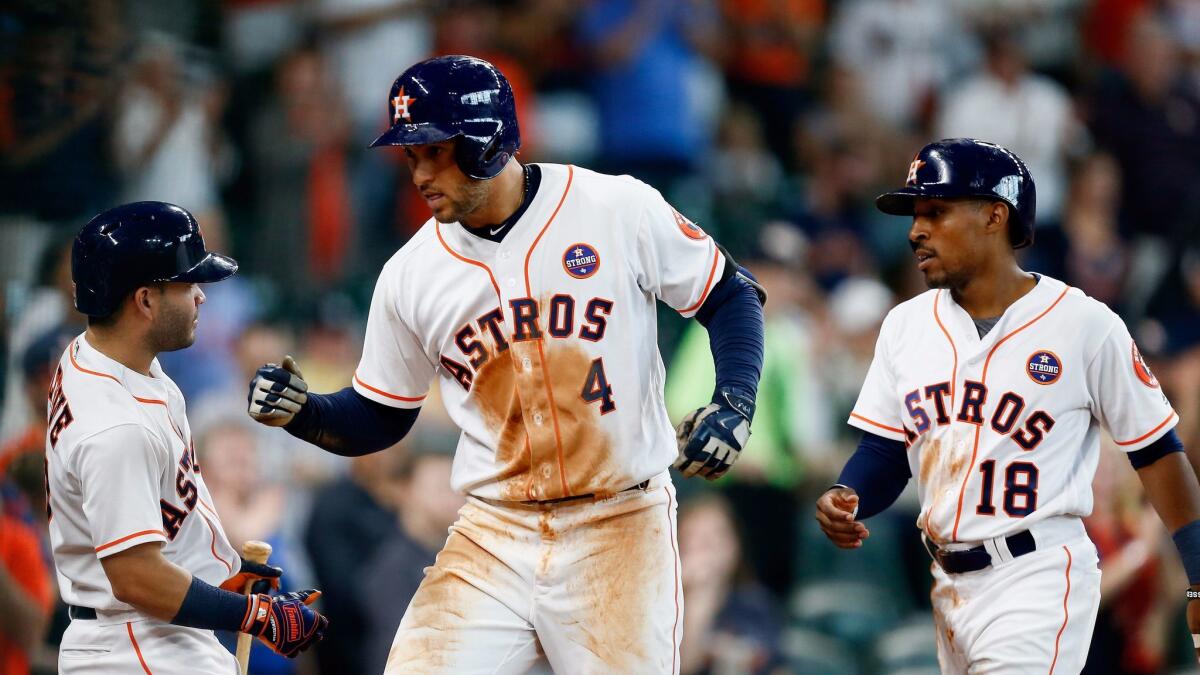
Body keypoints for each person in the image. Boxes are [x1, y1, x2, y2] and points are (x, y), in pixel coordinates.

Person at [246, 55, 766, 673]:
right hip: (494, 531)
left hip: (618, 522)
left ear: (485, 143)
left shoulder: (614, 207)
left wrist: (734, 399)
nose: (416, 172)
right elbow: (381, 416)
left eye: (432, 151)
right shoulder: (410, 273)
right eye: (409, 155)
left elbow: (730, 293)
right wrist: (304, 412)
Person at [814, 138, 1200, 671]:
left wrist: (1198, 578)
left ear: (995, 216)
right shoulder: (905, 325)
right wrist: (848, 492)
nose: (915, 230)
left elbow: (1158, 452)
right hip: (949, 582)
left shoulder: (1084, 325)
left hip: (1037, 572)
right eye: (915, 214)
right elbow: (884, 450)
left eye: (935, 212)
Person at [47, 201, 327, 674]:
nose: (201, 297)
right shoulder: (117, 426)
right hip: (138, 644)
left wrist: (228, 578)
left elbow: (159, 515)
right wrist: (252, 616)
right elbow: (136, 577)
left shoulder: (100, 357)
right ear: (144, 300)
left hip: (148, 632)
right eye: (188, 284)